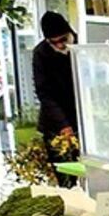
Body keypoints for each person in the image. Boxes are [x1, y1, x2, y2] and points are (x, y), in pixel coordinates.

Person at [31, 11, 79, 160]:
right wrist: (63, 124)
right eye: (54, 42)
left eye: (63, 40)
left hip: (85, 116)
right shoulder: (41, 53)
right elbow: (44, 93)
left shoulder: (84, 44)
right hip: (55, 122)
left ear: (69, 33)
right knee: (64, 170)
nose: (60, 45)